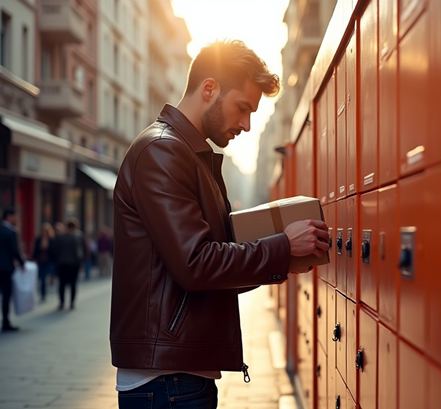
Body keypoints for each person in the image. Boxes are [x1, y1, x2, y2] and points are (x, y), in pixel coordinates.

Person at [110, 40, 329, 409]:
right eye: (242, 108)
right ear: (209, 88)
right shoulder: (162, 151)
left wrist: (283, 259)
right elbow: (196, 264)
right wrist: (282, 247)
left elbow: (214, 264)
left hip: (178, 376)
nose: (245, 124)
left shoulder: (191, 157)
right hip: (166, 382)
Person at [0, 209, 24, 332]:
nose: (16, 219)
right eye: (15, 216)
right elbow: (15, 251)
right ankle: (5, 321)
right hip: (5, 268)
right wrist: (22, 264)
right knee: (6, 295)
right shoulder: (11, 232)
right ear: (9, 217)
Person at [52, 219, 84, 310]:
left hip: (62, 264)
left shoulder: (60, 237)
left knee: (62, 284)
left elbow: (55, 251)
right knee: (73, 284)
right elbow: (79, 252)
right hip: (73, 264)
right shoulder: (77, 237)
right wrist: (80, 263)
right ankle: (72, 303)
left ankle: (62, 302)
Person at [32, 222, 55, 302]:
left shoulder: (51, 239)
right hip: (40, 261)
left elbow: (54, 251)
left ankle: (45, 291)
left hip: (49, 261)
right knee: (42, 279)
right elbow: (35, 250)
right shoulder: (38, 239)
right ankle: (43, 294)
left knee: (46, 278)